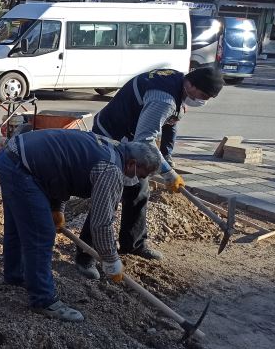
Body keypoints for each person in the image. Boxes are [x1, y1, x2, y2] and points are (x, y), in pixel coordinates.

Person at [0, 130, 161, 321]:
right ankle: (43, 300)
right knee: (41, 235)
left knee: (18, 225)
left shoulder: (113, 146)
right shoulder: (110, 169)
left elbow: (64, 167)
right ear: (132, 164)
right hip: (22, 168)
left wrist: (57, 207)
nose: (138, 180)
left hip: (12, 155)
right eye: (142, 175)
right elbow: (101, 223)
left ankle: (15, 275)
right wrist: (111, 259)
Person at [76, 66, 224, 270]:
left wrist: (168, 158)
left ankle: (133, 244)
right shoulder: (163, 99)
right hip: (111, 137)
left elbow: (171, 123)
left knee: (139, 189)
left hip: (132, 138)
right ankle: (86, 256)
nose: (203, 100)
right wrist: (167, 172)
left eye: (208, 97)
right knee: (109, 193)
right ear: (190, 84)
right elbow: (145, 140)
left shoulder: (179, 85)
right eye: (203, 95)